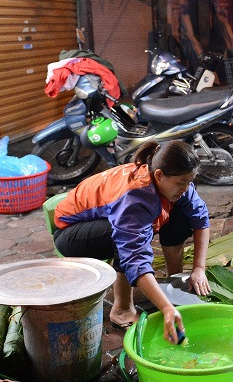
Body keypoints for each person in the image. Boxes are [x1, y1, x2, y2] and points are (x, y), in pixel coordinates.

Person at [51, 140, 210, 342]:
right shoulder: (136, 197)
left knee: (181, 215)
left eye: (190, 181)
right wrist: (166, 309)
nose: (186, 187)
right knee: (124, 238)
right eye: (181, 183)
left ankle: (173, 282)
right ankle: (122, 310)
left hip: (108, 218)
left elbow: (201, 219)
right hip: (71, 234)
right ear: (160, 175)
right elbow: (135, 257)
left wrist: (199, 269)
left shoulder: (176, 183)